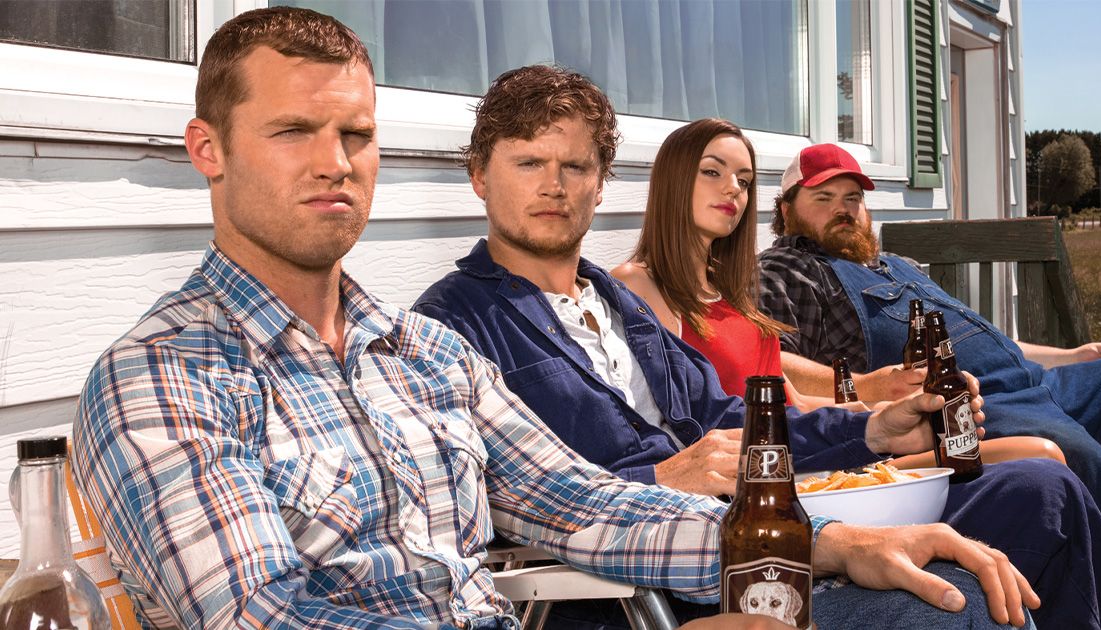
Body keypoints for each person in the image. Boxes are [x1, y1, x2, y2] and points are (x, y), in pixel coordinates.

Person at [68, 8, 1035, 630]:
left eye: (357, 134)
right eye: (293, 132)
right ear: (208, 148)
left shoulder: (422, 352)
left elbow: (580, 500)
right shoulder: (165, 377)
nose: (336, 162)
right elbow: (264, 620)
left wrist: (815, 541)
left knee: (961, 587)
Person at [413, 65, 1101, 629]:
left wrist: (869, 426)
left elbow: (742, 420)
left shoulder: (615, 303)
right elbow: (502, 507)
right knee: (958, 602)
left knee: (1044, 492)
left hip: (780, 511)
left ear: (601, 186)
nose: (555, 186)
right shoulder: (451, 328)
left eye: (575, 167)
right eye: (528, 163)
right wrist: (659, 477)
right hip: (683, 581)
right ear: (480, 174)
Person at [757, 142, 1101, 629]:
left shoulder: (895, 264)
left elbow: (982, 336)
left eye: (853, 198)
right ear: (786, 210)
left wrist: (1066, 356)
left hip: (1042, 382)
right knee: (1079, 454)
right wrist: (868, 385)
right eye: (824, 198)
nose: (844, 208)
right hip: (977, 405)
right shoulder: (791, 269)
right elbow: (767, 355)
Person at [611, 117, 1065, 470]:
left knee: (1039, 457)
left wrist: (890, 409)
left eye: (745, 180)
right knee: (1038, 457)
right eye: (713, 171)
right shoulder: (638, 285)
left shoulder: (730, 291)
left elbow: (799, 403)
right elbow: (686, 425)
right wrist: (869, 422)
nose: (733, 188)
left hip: (815, 445)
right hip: (780, 472)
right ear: (672, 181)